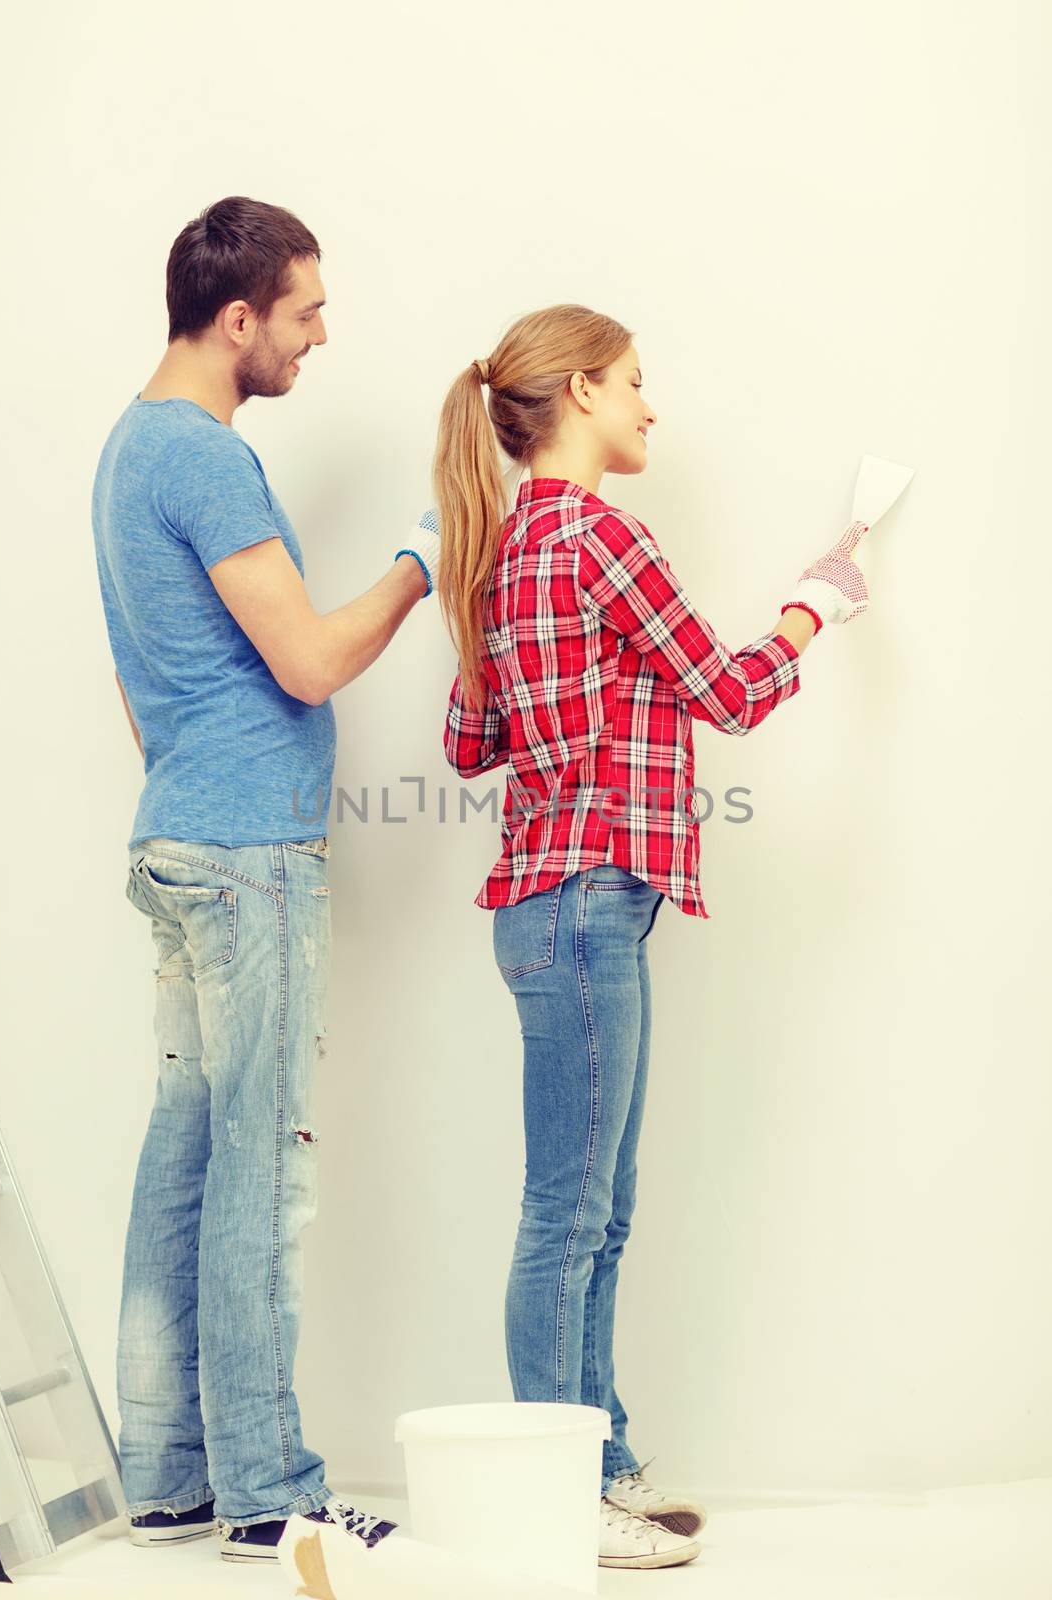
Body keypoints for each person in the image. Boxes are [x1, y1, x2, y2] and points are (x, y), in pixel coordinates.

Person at [434, 303, 869, 1572]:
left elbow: (469, 746)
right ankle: (554, 1491)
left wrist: (492, 641)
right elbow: (727, 693)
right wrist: (814, 605)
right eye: (632, 381)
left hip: (555, 906)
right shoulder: (598, 533)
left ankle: (601, 1458)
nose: (648, 404)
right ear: (575, 392)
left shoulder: (500, 545)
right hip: (582, 905)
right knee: (573, 1209)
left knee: (595, 1206)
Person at [91, 195, 442, 1564]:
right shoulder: (207, 459)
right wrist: (418, 565)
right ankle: (271, 1490)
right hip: (245, 859)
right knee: (260, 1170)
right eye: (303, 312)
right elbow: (303, 661)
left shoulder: (127, 453)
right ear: (235, 319)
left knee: (184, 1153)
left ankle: (172, 1473)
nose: (317, 335)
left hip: (181, 835)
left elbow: (140, 683)